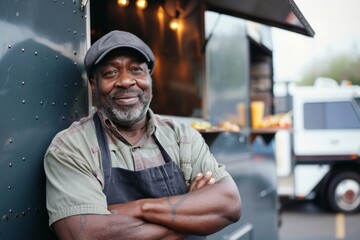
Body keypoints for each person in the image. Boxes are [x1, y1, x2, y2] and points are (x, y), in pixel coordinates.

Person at [44, 30, 241, 240]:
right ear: (93, 84)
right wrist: (192, 216)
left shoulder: (183, 137)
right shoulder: (71, 148)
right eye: (111, 73)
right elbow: (86, 235)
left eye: (136, 70)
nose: (126, 81)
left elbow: (229, 204)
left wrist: (139, 208)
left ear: (149, 78)